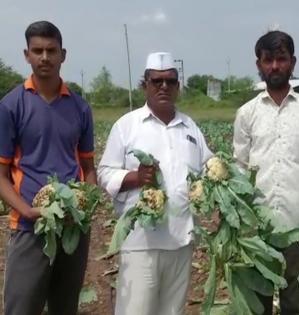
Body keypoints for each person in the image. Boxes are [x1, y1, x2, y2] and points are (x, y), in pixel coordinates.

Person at [98, 52, 212, 315]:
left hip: (181, 241)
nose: (164, 87)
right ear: (144, 85)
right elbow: (104, 172)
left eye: (170, 81)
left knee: (173, 311)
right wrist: (135, 178)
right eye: (156, 81)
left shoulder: (189, 127)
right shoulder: (126, 126)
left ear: (177, 87)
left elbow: (208, 166)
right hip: (141, 243)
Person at [233, 30, 299, 315]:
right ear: (259, 64)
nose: (275, 66)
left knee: (295, 303)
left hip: (298, 225)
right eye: (268, 60)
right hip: (256, 229)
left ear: (292, 61)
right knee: (258, 304)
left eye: (281, 59)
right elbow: (239, 166)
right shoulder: (247, 113)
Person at [0, 21, 96, 315]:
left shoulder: (79, 107)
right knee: (22, 306)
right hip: (30, 227)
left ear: (62, 55)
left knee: (65, 306)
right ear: (26, 55)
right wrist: (27, 210)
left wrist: (85, 205)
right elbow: (1, 176)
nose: (45, 57)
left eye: (51, 50)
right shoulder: (10, 106)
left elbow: (88, 167)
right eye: (37, 50)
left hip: (72, 227)